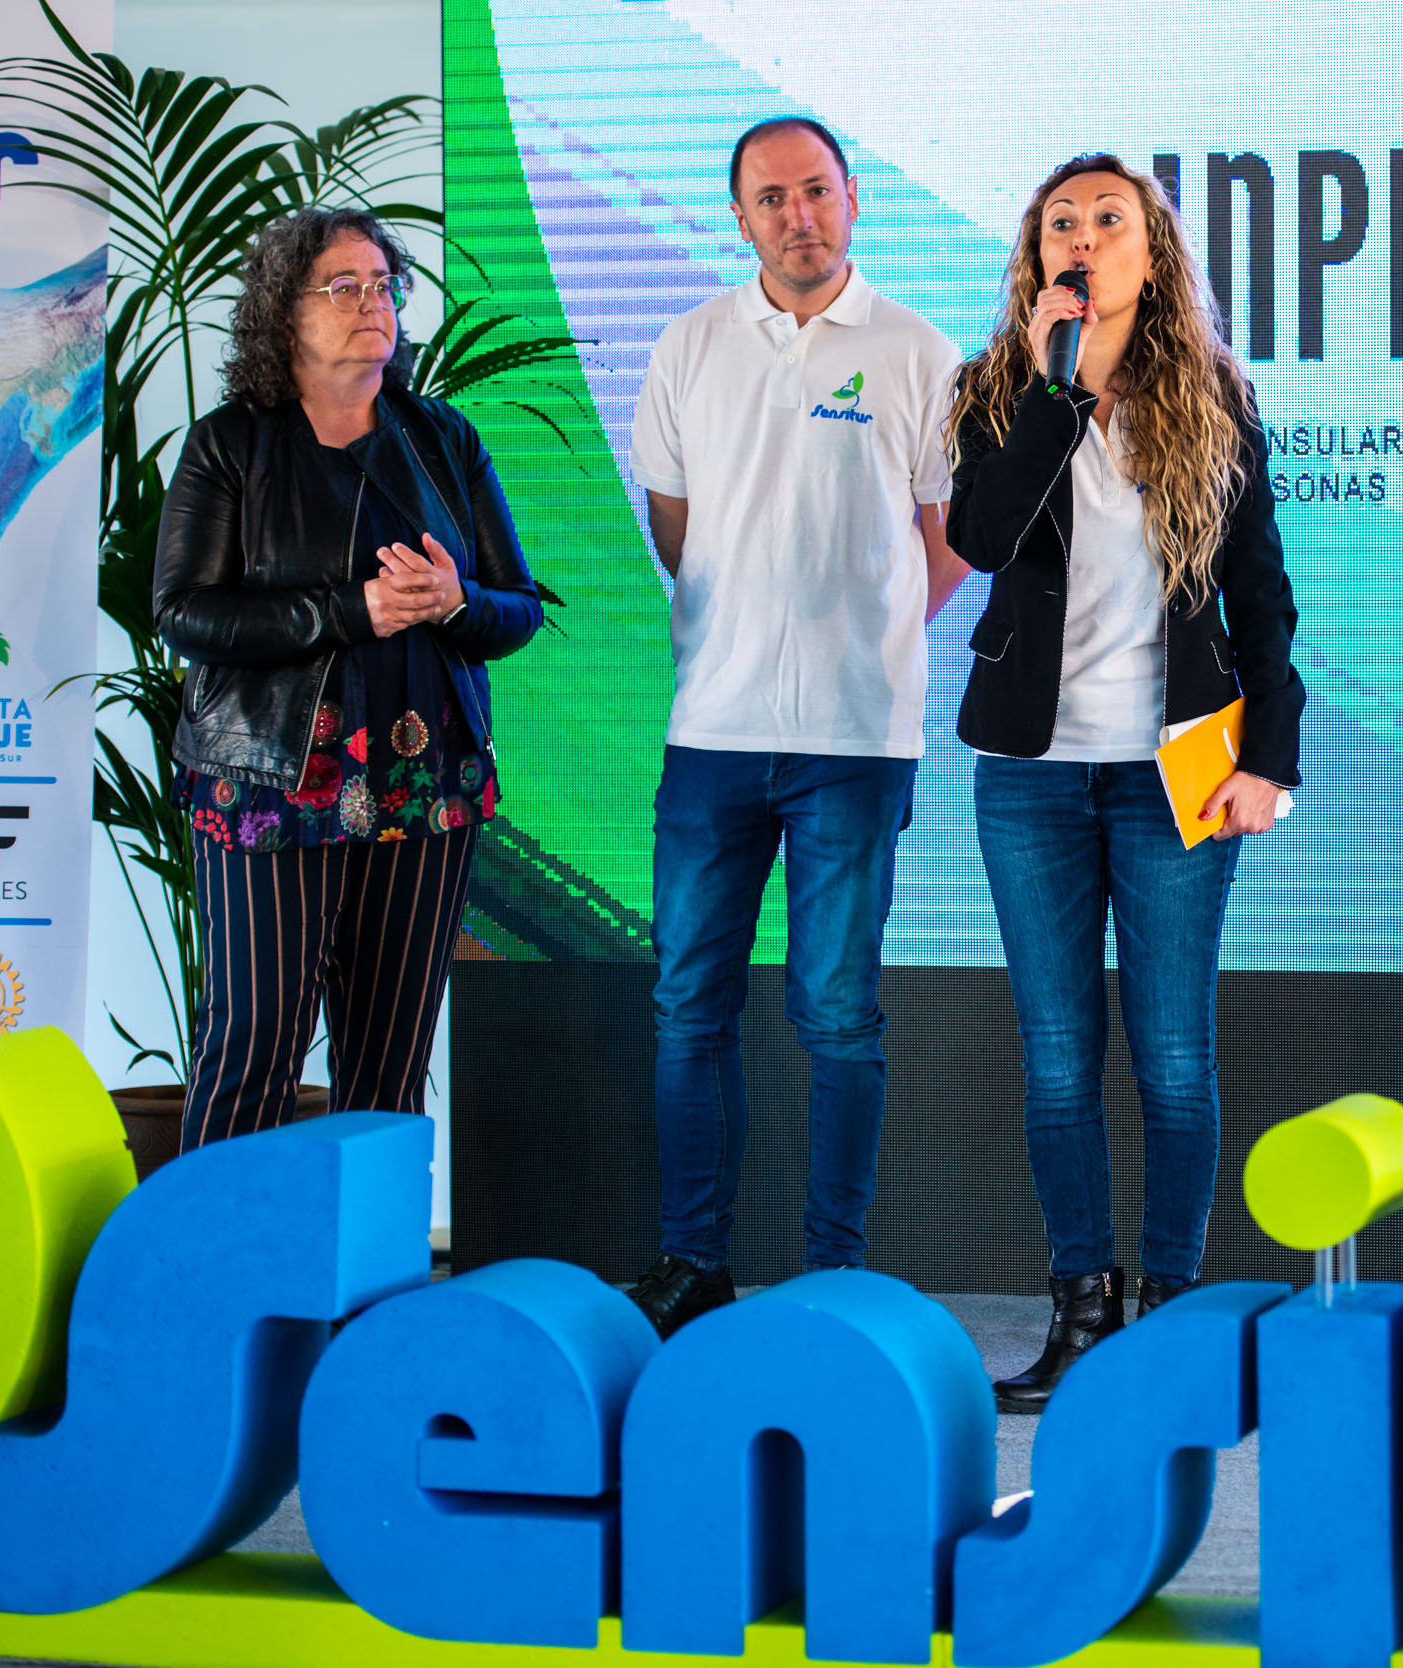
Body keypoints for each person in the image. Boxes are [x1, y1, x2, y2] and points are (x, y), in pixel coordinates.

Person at [948, 153, 1305, 1411]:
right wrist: (1055, 390)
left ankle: (1171, 1316)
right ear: (1037, 255)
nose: (1085, 237)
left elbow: (1261, 593)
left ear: (1153, 256)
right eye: (1063, 221)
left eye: (1110, 219)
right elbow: (980, 538)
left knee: (1172, 1059)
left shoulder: (1211, 396)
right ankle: (1080, 1315)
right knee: (1057, 1061)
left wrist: (1270, 757)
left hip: (1177, 772)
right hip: (1031, 777)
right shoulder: (997, 388)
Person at [624, 118, 965, 1336]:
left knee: (837, 1013)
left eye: (815, 190)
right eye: (770, 198)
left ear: (853, 198)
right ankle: (691, 1262)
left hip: (854, 742)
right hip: (711, 730)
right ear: (739, 217)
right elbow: (675, 527)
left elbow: (946, 543)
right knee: (688, 1006)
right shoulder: (689, 344)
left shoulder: (917, 351)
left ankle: (833, 1270)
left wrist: (859, 634)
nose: (796, 216)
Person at [156, 206, 544, 1150]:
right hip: (270, 784)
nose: (373, 303)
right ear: (284, 312)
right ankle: (224, 1249)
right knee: (254, 1052)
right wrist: (350, 610)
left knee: (389, 1066)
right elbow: (183, 613)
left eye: (384, 285)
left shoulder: (444, 439)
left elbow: (519, 607)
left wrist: (456, 600)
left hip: (425, 784)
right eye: (344, 286)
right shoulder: (229, 445)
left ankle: (368, 1252)